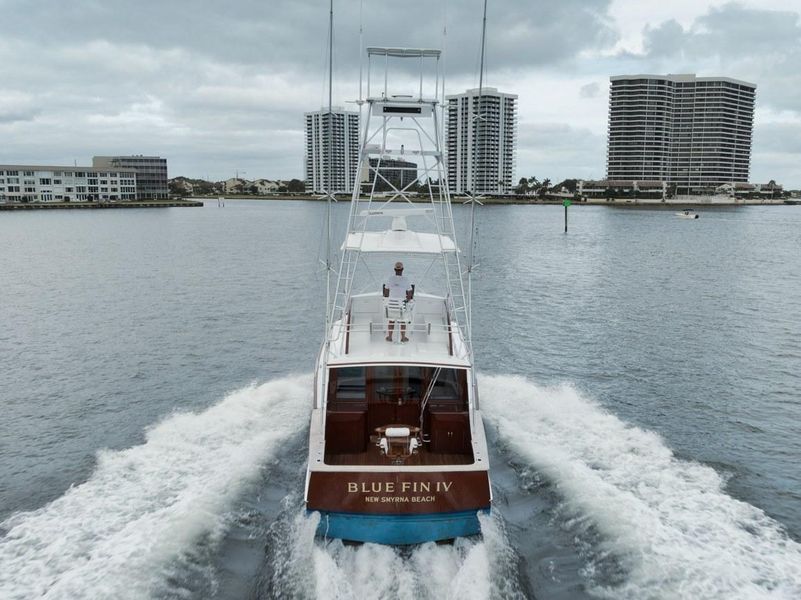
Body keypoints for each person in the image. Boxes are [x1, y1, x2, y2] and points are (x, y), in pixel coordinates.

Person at [383, 261, 414, 342]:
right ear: (402, 269)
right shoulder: (406, 280)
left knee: (391, 320)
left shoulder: (390, 279)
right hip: (401, 307)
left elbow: (386, 292)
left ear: (394, 269)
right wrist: (407, 299)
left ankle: (390, 337)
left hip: (391, 306)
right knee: (403, 320)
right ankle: (403, 338)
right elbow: (410, 293)